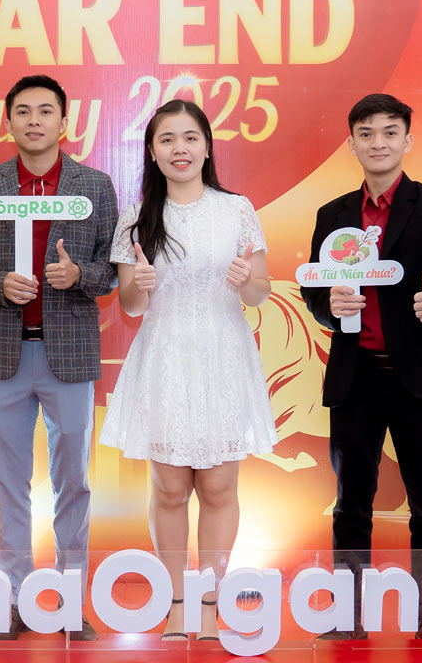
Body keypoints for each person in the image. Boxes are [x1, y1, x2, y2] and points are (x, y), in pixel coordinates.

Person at [100, 99, 278, 641]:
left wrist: (247, 280)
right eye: (167, 140)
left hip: (223, 357)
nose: (180, 149)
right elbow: (131, 306)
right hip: (167, 357)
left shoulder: (237, 209)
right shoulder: (137, 218)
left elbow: (260, 292)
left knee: (220, 487)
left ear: (206, 146)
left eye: (190, 138)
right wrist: (139, 286)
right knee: (170, 489)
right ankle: (177, 601)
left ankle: (212, 602)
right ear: (152, 153)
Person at [301, 93, 422, 640]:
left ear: (407, 140)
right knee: (351, 502)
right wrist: (330, 305)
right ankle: (347, 615)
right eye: (367, 133)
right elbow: (315, 289)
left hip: (420, 375)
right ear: (351, 144)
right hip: (357, 379)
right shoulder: (333, 215)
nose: (378, 143)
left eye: (390, 132)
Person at [0, 75, 119, 641]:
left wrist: (80, 276)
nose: (34, 120)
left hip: (69, 355)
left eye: (46, 111)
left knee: (73, 481)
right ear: (8, 121)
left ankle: (71, 601)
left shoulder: (94, 185)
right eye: (23, 111)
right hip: (4, 352)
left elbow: (112, 268)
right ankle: (13, 600)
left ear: (64, 122)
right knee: (8, 483)